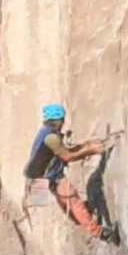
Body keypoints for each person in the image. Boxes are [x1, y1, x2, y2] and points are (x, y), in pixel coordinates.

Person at [26, 103, 109, 241]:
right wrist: (90, 151)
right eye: (62, 120)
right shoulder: (51, 138)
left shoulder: (45, 133)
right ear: (58, 120)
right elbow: (68, 156)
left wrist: (85, 146)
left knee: (69, 207)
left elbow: (64, 151)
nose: (63, 123)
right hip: (52, 177)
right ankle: (101, 233)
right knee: (74, 204)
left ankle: (86, 215)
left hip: (38, 178)